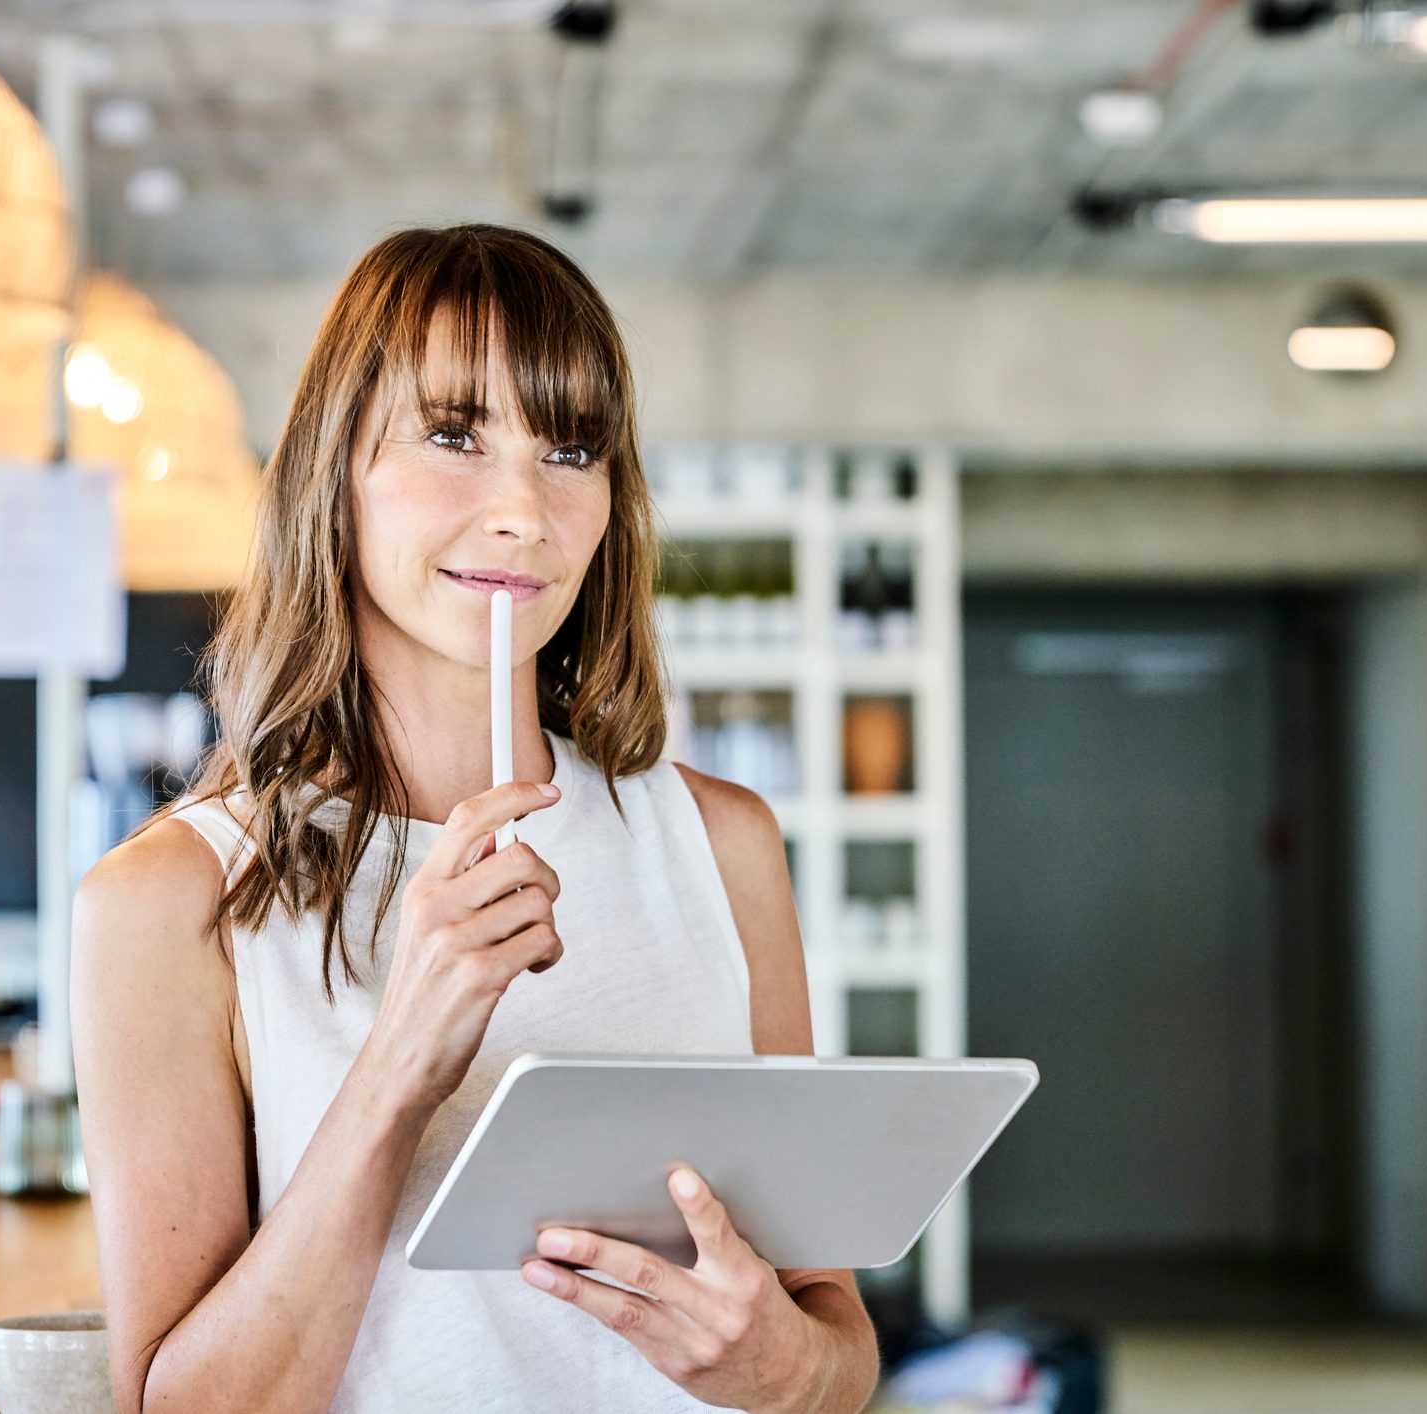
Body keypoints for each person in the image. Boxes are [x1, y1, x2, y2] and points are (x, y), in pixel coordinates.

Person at [71, 223, 880, 1413]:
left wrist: (783, 1366)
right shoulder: (165, 903)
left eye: (570, 449)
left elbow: (835, 1344)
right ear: (329, 470)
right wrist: (404, 1055)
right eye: (452, 435)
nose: (520, 510)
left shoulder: (722, 847)